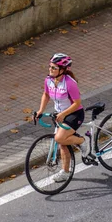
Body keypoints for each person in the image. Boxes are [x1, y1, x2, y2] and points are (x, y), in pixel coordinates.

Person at [35, 53, 93, 182]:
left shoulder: (69, 83)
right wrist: (40, 110)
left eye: (54, 68)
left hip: (74, 114)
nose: (50, 69)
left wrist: (62, 114)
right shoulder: (48, 80)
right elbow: (46, 94)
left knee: (60, 138)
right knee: (62, 144)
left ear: (63, 70)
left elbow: (77, 103)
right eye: (50, 67)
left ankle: (83, 141)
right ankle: (65, 173)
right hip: (60, 115)